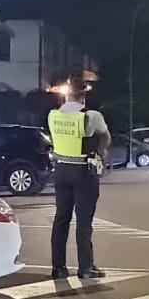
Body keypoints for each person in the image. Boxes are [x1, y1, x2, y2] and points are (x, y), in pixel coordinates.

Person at [46, 77, 111, 279]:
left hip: (61, 170)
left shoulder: (53, 116)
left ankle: (58, 267)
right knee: (84, 221)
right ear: (84, 95)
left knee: (61, 219)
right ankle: (85, 267)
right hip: (83, 170)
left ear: (65, 94)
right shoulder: (91, 116)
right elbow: (106, 137)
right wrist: (100, 152)